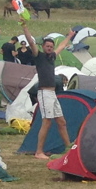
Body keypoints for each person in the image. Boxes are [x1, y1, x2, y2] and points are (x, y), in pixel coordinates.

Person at [23, 23, 75, 159]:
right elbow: (30, 41)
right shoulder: (38, 56)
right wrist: (24, 27)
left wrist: (70, 36)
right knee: (47, 122)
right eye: (47, 46)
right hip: (44, 93)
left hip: (53, 94)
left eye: (51, 47)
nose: (50, 48)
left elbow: (62, 46)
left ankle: (68, 148)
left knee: (61, 122)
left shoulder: (52, 57)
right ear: (43, 47)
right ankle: (39, 152)